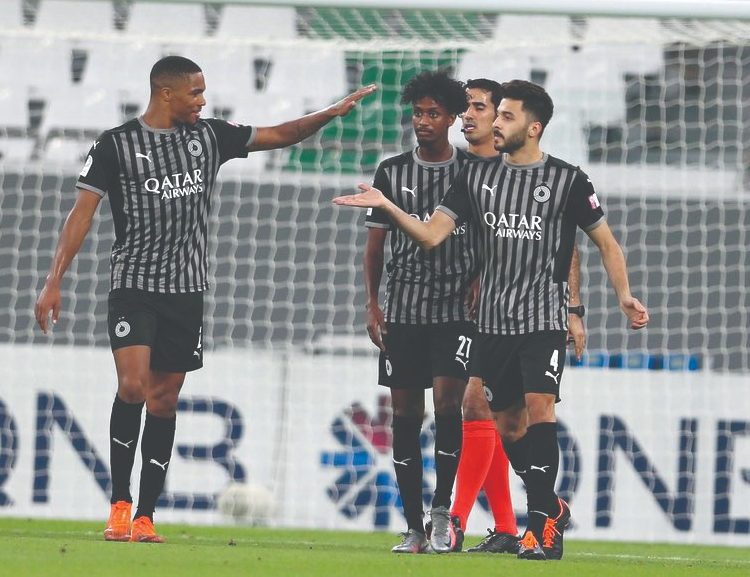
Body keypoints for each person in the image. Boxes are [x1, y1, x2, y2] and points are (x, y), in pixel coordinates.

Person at [35, 55, 376, 544]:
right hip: (133, 286)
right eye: (195, 92)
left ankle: (146, 516)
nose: (203, 100)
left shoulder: (209, 136)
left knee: (165, 397)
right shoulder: (115, 145)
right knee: (132, 387)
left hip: (187, 292)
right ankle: (118, 504)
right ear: (165, 93)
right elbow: (81, 213)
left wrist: (329, 112)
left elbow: (278, 134)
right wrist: (54, 279)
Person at [335, 80, 648, 561]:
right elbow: (431, 236)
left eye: (504, 115)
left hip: (542, 316)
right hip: (491, 323)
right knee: (509, 427)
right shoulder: (477, 179)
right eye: (494, 113)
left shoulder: (568, 180)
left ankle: (540, 529)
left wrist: (621, 296)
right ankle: (552, 508)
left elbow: (604, 242)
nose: (494, 122)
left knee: (542, 410)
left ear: (533, 126)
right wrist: (389, 207)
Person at [450, 79, 588, 554]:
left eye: (480, 108)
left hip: (530, 312)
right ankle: (539, 511)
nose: (469, 115)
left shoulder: (549, 177)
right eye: (466, 107)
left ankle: (507, 522)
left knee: (491, 405)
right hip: (475, 309)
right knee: (492, 415)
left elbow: (564, 246)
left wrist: (573, 308)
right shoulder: (468, 173)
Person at [361, 70, 471, 554]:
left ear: (451, 118)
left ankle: (443, 515)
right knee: (405, 412)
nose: (422, 121)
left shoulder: (474, 170)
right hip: (403, 307)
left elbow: (488, 236)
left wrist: (482, 280)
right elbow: (375, 246)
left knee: (448, 405)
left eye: (433, 114)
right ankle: (412, 526)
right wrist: (372, 301)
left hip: (455, 309)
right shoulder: (391, 171)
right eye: (417, 113)